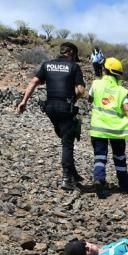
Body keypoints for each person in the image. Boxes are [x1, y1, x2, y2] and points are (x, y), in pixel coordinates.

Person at [17, 42, 85, 191]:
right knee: (67, 142)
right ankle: (67, 179)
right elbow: (80, 90)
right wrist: (72, 99)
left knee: (65, 136)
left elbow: (34, 81)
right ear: (72, 53)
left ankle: (73, 172)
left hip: (50, 108)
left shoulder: (47, 64)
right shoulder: (74, 67)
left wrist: (23, 101)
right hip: (65, 107)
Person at [88, 57, 128, 194]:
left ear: (105, 70)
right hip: (117, 131)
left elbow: (90, 99)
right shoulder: (121, 91)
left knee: (100, 156)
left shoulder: (96, 84)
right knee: (119, 156)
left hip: (98, 129)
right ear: (119, 73)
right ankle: (124, 186)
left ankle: (99, 180)